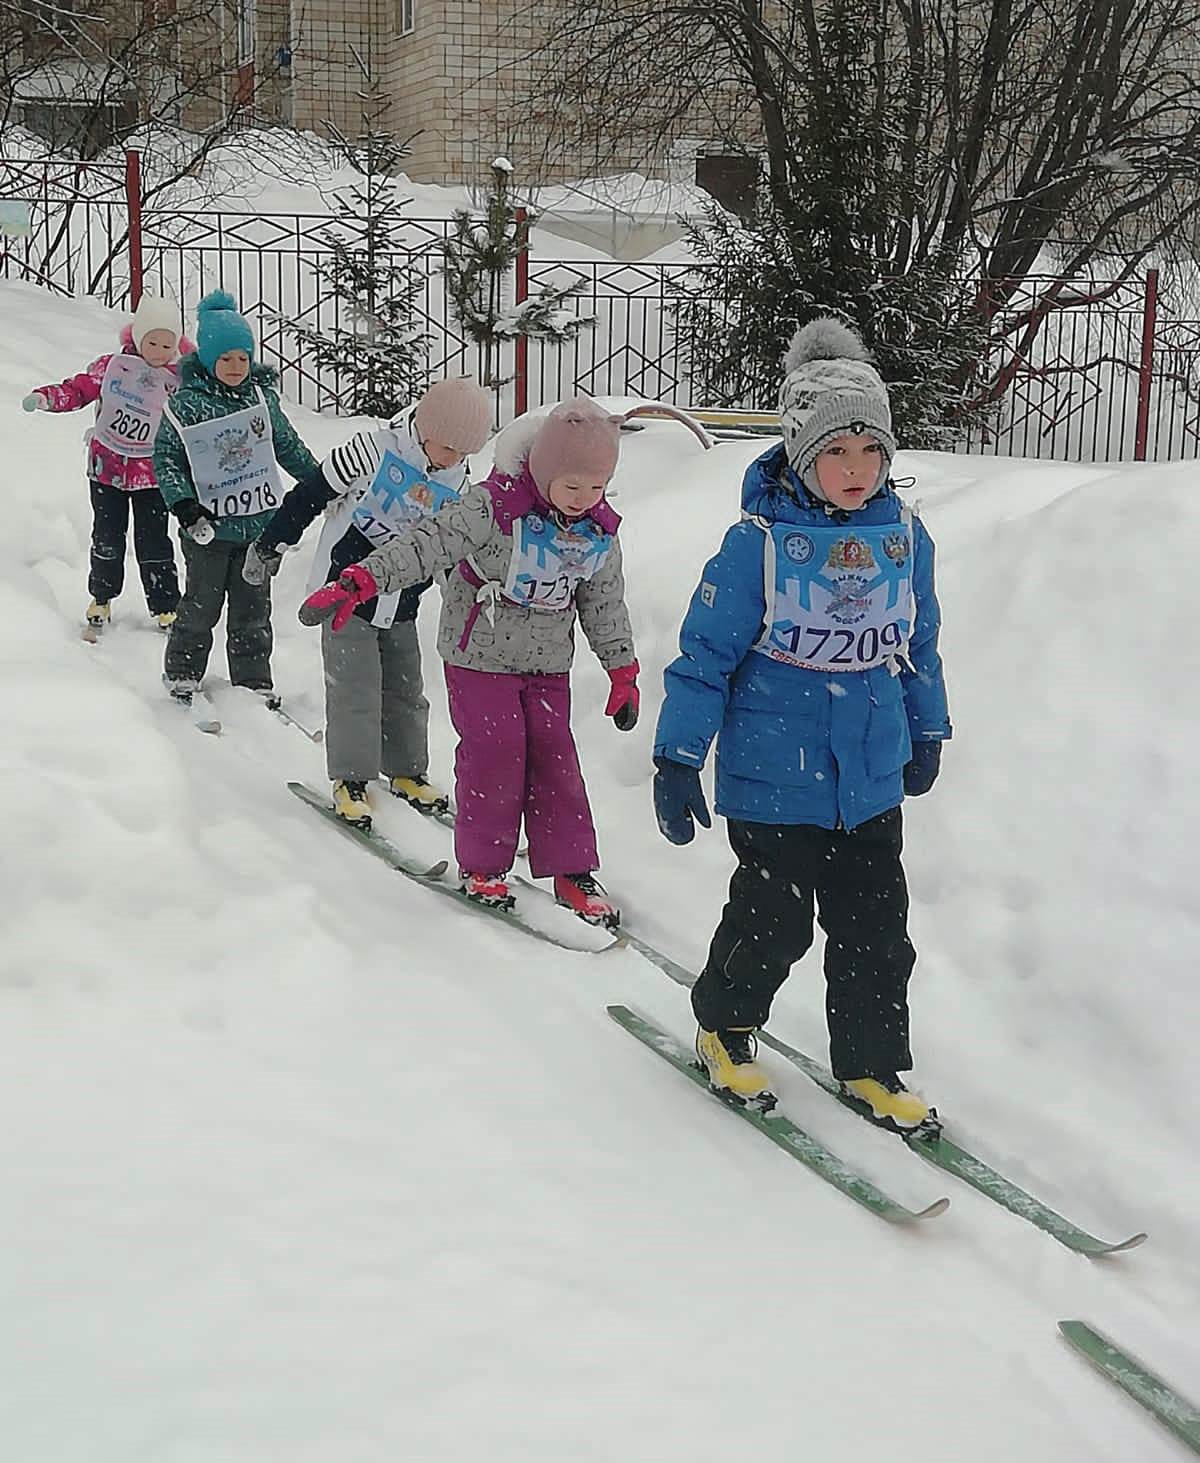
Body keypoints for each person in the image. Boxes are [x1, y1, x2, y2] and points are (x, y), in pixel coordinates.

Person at [652, 317, 951, 1125]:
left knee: (877, 935)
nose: (856, 470)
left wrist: (928, 729)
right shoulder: (758, 545)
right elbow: (706, 655)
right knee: (772, 922)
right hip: (773, 773)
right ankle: (726, 1026)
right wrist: (678, 755)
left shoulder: (905, 539)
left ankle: (873, 1064)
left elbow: (917, 642)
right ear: (799, 453)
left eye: (871, 452)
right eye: (835, 453)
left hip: (869, 774)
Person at [296, 398, 642, 927]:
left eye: (596, 487)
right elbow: (424, 545)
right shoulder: (492, 507)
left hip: (548, 662)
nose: (583, 500)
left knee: (556, 758)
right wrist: (359, 581)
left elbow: (604, 601)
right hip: (478, 652)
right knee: (495, 752)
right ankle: (483, 865)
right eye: (572, 486)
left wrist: (622, 670)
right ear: (546, 470)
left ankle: (573, 869)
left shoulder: (596, 531)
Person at [248, 377, 492, 828]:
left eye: (464, 453)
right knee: (354, 687)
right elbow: (309, 494)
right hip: (344, 593)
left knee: (405, 688)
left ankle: (405, 769)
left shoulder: (458, 479)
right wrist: (271, 545)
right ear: (425, 427)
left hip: (402, 598)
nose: (454, 460)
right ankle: (351, 777)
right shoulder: (373, 449)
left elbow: (449, 543)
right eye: (448, 448)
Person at [153, 289, 318, 706]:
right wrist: (183, 505)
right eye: (225, 358)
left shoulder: (261, 400)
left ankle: (252, 678)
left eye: (243, 358)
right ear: (208, 358)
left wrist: (321, 483)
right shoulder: (187, 405)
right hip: (207, 528)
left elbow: (287, 446)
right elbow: (167, 459)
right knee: (201, 604)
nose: (235, 366)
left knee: (252, 609)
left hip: (259, 527)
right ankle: (184, 671)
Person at [23, 294, 187, 631]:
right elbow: (80, 389)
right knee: (107, 536)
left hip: (153, 476)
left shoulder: (179, 380)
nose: (158, 351)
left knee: (154, 540)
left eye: (167, 345)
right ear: (138, 338)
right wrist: (47, 397)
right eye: (151, 342)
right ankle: (101, 597)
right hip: (106, 468)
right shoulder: (112, 366)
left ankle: (165, 605)